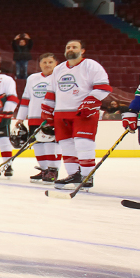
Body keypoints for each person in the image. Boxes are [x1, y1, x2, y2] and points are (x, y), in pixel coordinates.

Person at [42, 39, 110, 190]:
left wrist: (91, 101)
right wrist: (47, 111)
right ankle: (74, 175)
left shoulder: (91, 65)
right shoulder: (59, 69)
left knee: (83, 143)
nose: (70, 49)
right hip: (61, 113)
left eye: (74, 47)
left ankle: (87, 176)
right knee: (66, 145)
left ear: (82, 50)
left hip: (83, 113)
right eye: (68, 47)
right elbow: (51, 92)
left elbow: (104, 87)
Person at [17, 53, 61, 183]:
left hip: (51, 118)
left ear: (56, 64)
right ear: (40, 64)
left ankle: (53, 170)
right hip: (34, 117)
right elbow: (26, 98)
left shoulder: (58, 78)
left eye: (50, 62)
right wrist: (20, 118)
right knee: (38, 144)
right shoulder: (32, 78)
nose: (47, 65)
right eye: (44, 62)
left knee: (51, 144)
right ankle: (44, 170)